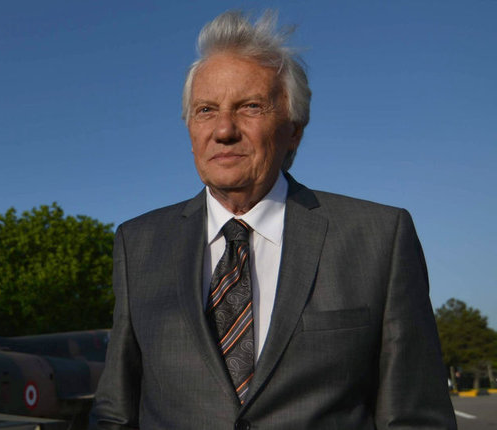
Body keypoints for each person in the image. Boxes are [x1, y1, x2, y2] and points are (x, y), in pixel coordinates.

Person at [91, 10, 456, 430]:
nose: (223, 130)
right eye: (206, 110)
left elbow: (417, 418)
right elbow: (115, 413)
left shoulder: (379, 238)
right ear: (190, 129)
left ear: (294, 128)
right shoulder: (138, 245)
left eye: (250, 107)